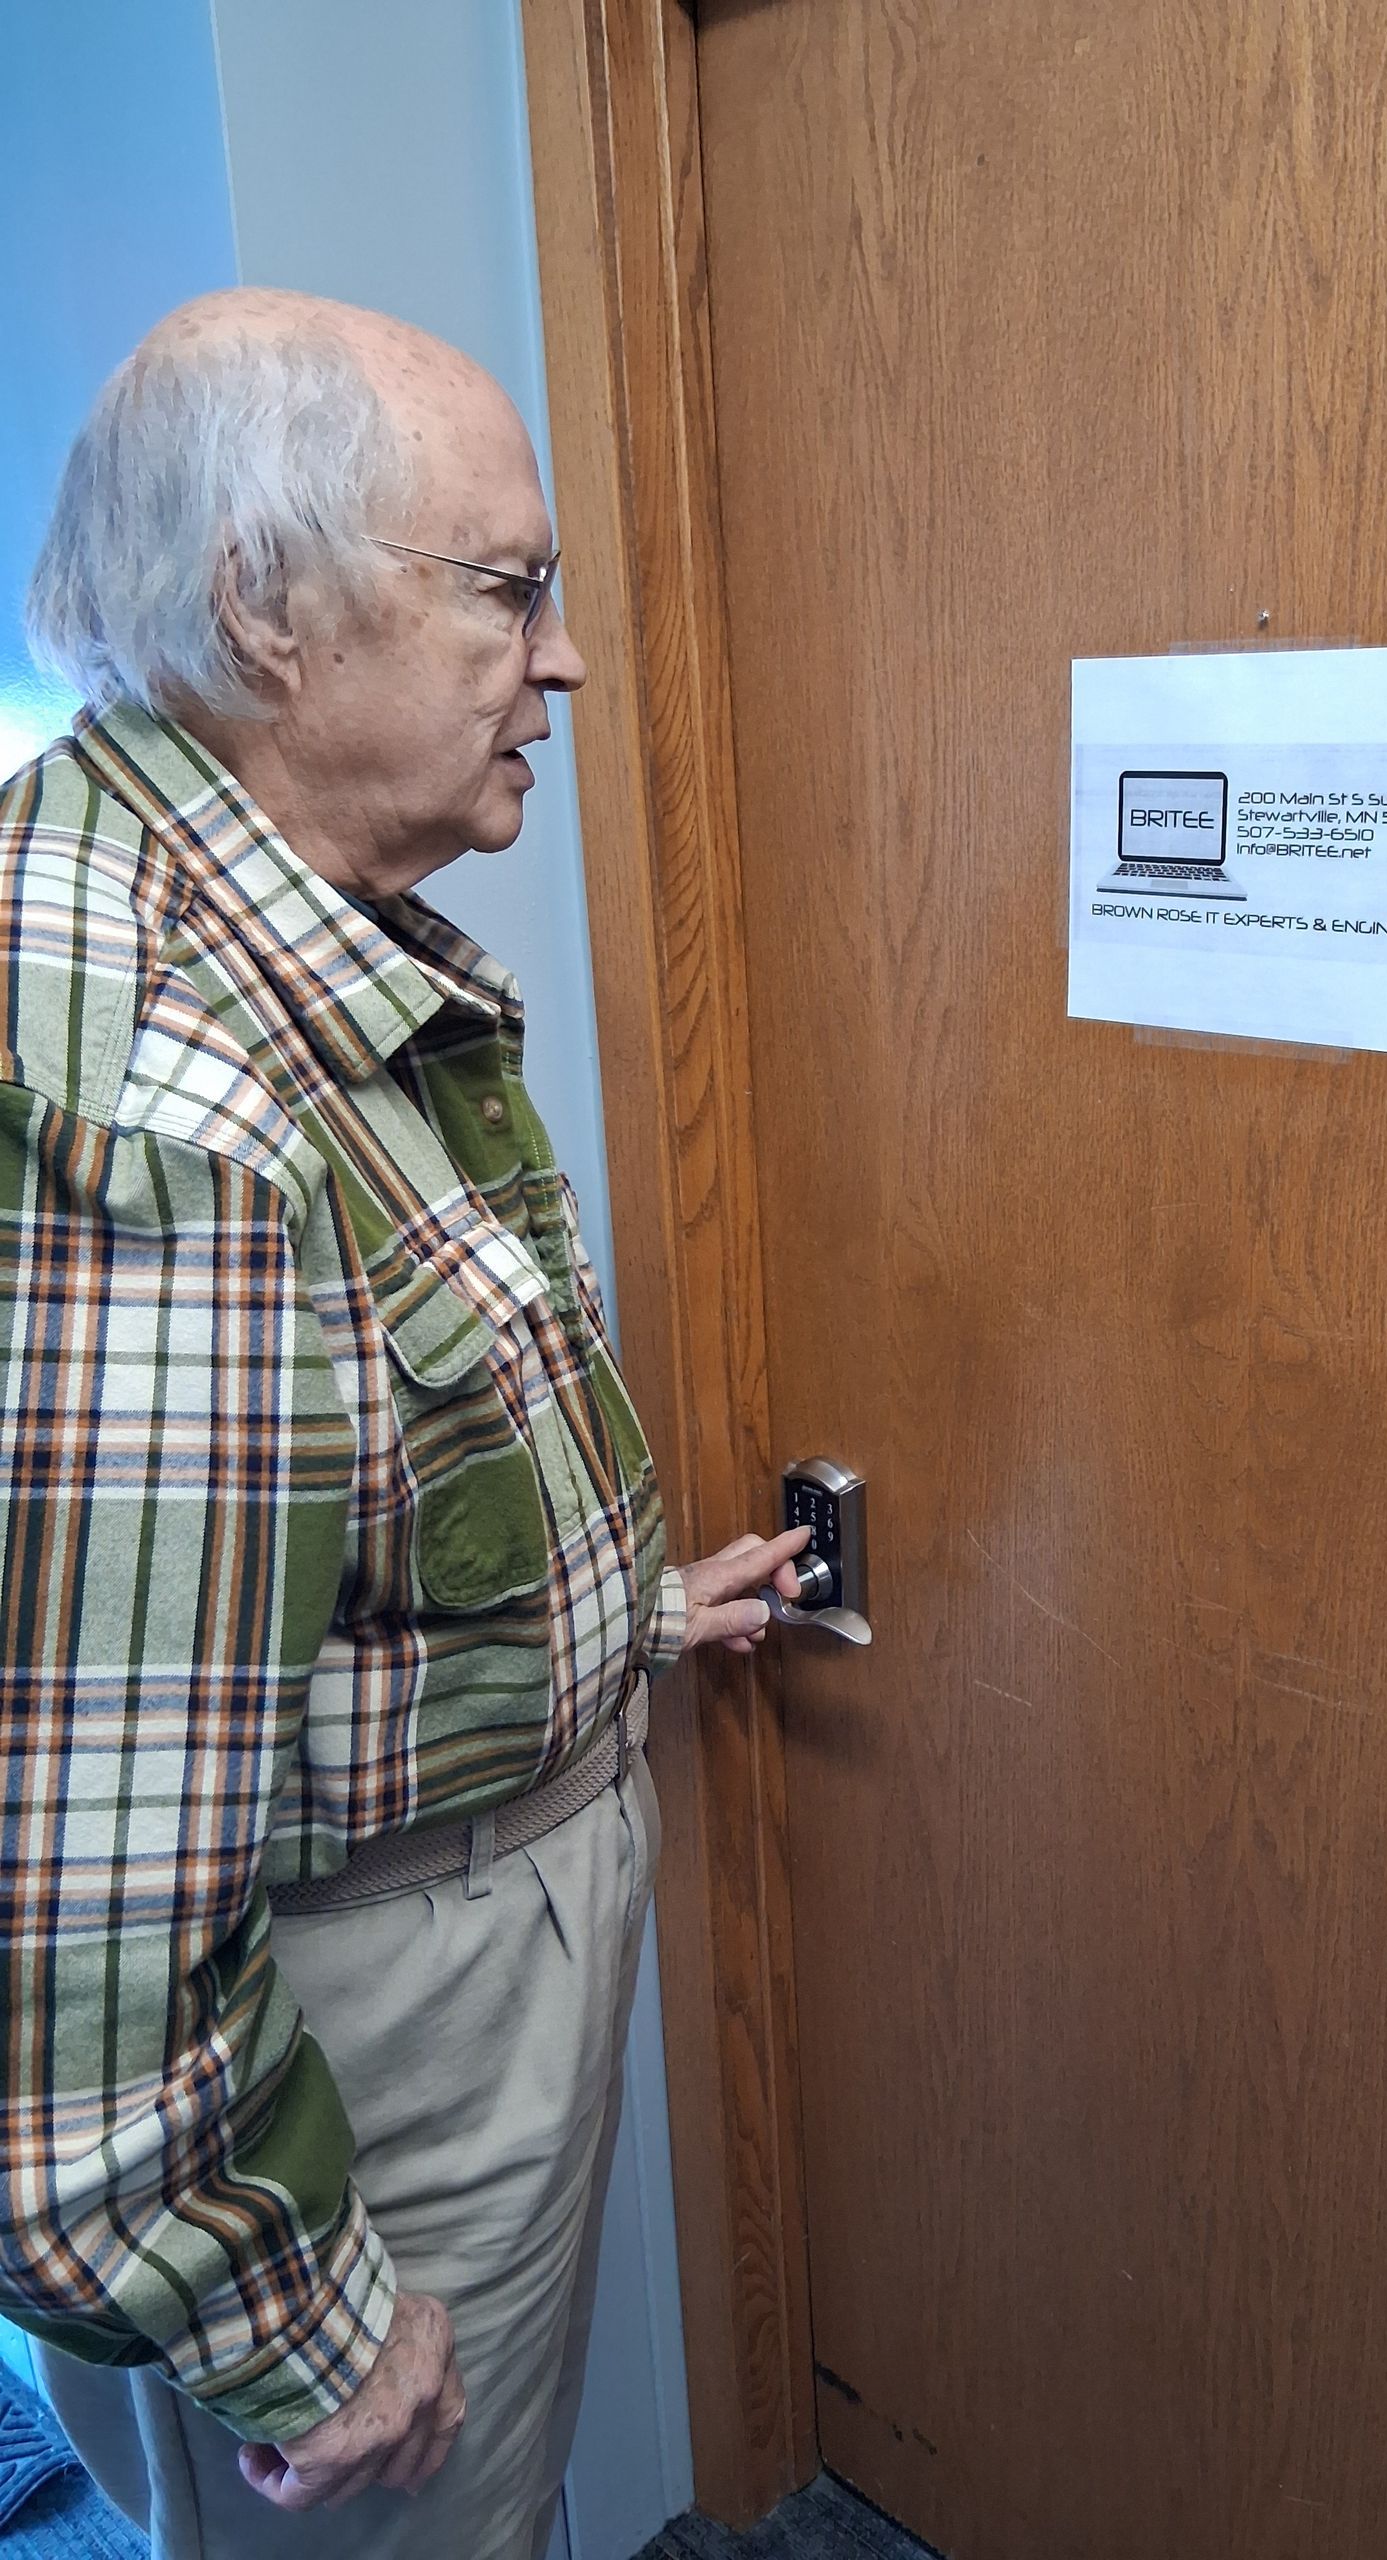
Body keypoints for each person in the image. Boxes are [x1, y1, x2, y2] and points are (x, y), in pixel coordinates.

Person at [0, 289, 809, 2559]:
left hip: (378, 1931)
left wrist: (618, 1608)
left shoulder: (246, 928)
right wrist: (296, 2305)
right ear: (265, 605)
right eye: (509, 584)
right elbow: (67, 1924)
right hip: (353, 2037)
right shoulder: (159, 1107)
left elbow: (244, 1554)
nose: (559, 658)